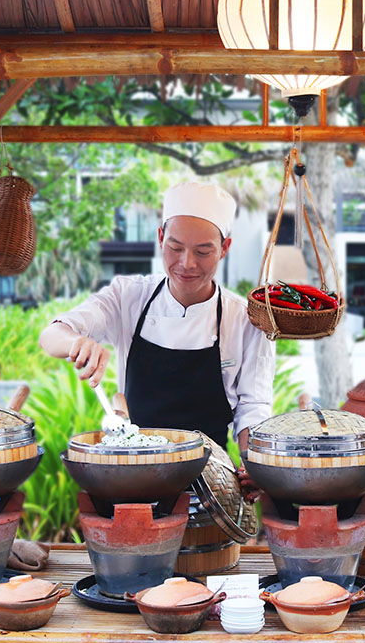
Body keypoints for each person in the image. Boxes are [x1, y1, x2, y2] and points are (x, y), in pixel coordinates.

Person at [39, 179, 274, 456]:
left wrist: (253, 464)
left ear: (224, 248)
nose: (187, 263)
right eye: (175, 248)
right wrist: (76, 343)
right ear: (161, 237)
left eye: (203, 251)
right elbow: (50, 336)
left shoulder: (247, 319)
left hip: (210, 479)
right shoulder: (128, 296)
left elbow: (253, 408)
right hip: (136, 472)